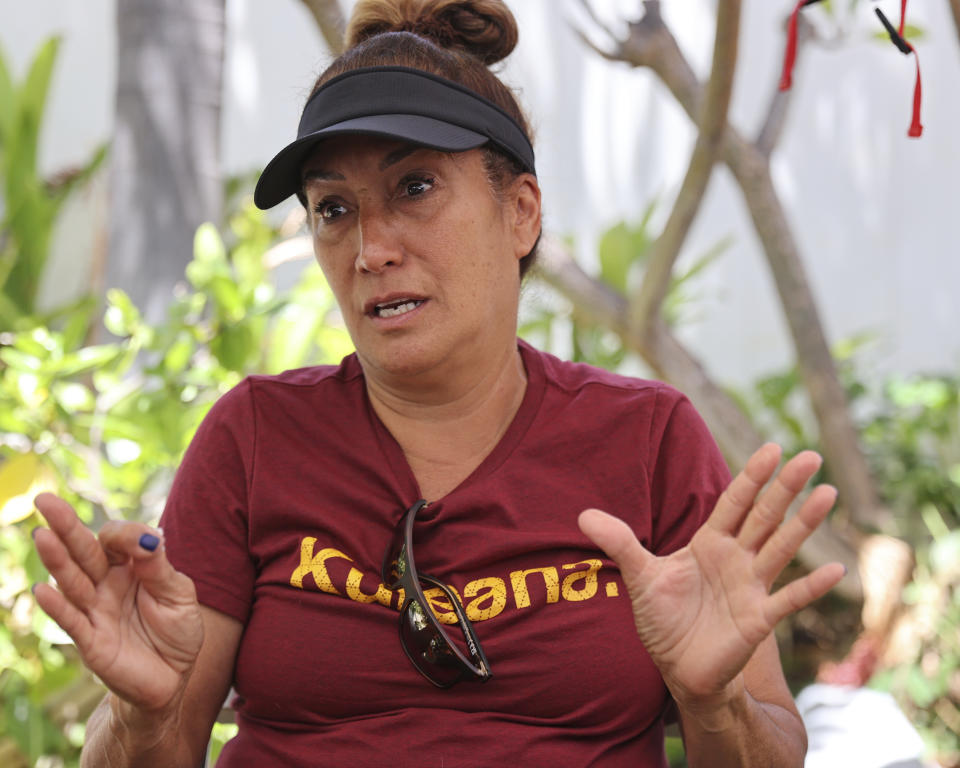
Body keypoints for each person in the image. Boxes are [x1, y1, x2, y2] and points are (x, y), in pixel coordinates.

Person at [31, 1, 846, 765]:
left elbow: (770, 742)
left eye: (414, 188)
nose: (369, 247)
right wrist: (142, 716)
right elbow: (158, 746)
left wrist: (715, 702)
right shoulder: (254, 437)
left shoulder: (647, 440)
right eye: (332, 209)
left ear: (520, 211)